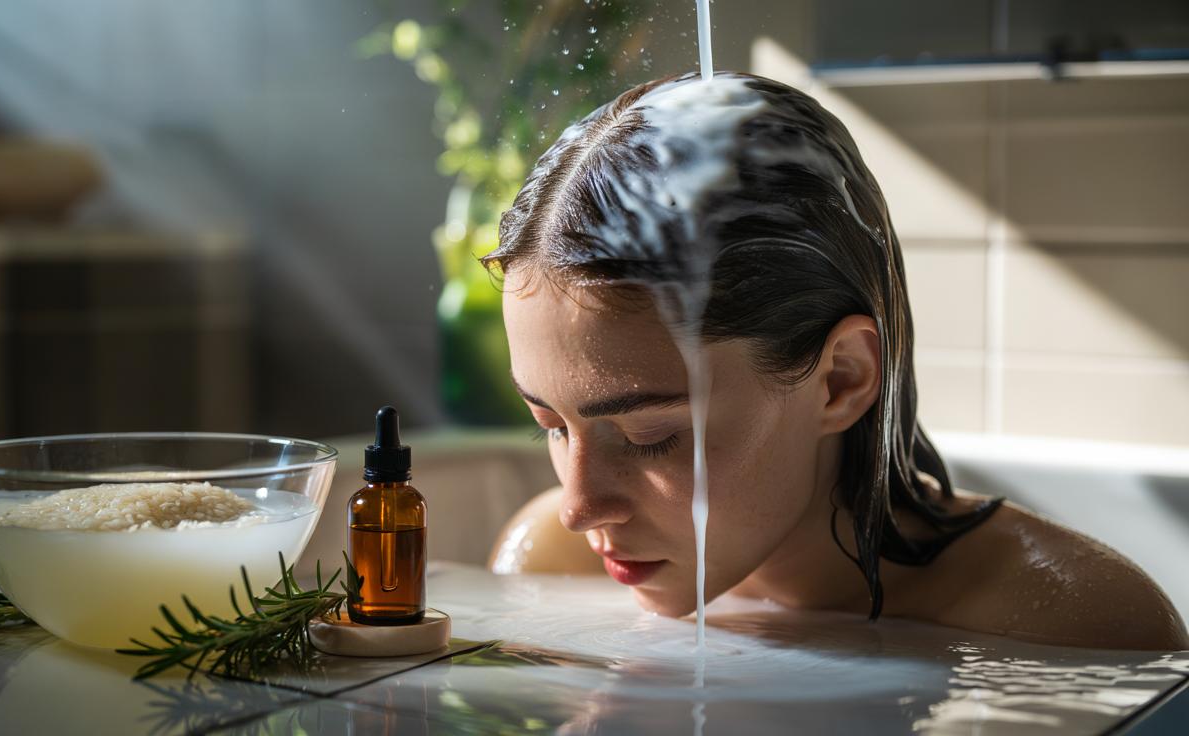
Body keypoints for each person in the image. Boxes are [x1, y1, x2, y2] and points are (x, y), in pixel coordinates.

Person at [483, 72, 1187, 650]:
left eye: (651, 435)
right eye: (550, 423)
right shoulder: (549, 561)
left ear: (841, 379)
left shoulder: (1072, 627)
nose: (579, 508)